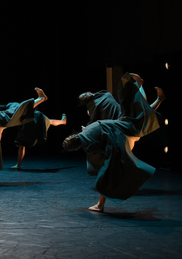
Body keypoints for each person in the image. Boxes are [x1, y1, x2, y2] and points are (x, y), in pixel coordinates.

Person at [63, 73, 164, 212]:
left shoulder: (88, 139)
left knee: (140, 114)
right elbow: (99, 125)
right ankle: (141, 88)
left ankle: (100, 205)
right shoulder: (103, 96)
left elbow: (102, 147)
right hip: (120, 124)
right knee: (139, 111)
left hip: (121, 133)